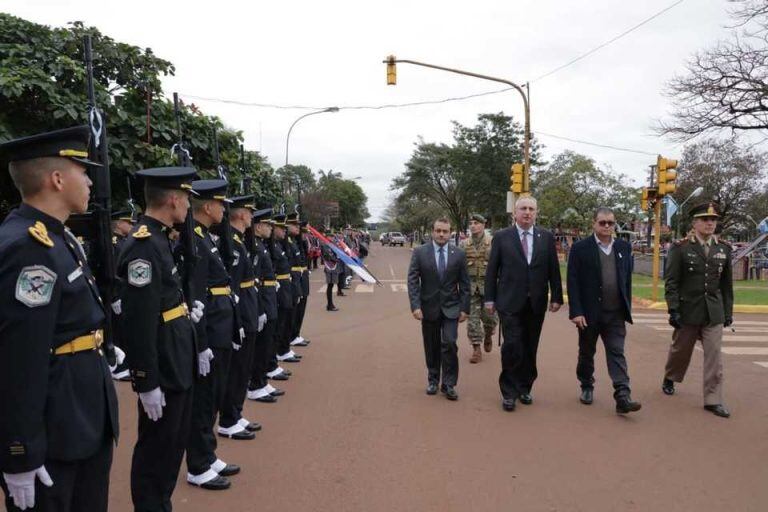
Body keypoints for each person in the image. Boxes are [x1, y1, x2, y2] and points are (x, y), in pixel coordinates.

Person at [0, 126, 119, 512]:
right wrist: (20, 451)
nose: (88, 180)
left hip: (81, 411)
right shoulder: (27, 247)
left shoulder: (60, 237)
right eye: (81, 171)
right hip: (55, 425)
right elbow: (19, 356)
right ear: (56, 179)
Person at [117, 166, 199, 511]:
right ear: (173, 199)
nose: (188, 208)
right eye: (186, 200)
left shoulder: (160, 238)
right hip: (163, 363)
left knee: (172, 447)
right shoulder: (143, 245)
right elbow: (139, 320)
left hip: (175, 354)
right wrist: (146, 380)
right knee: (157, 451)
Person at [185, 179, 242, 490]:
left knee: (216, 394)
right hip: (209, 327)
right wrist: (201, 342)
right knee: (204, 400)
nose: (224, 209)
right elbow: (196, 295)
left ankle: (208, 452)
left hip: (221, 324)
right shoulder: (194, 241)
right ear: (207, 207)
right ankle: (198, 463)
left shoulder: (206, 238)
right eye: (221, 204)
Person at [485, 196, 563, 412]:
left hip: (536, 302)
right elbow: (492, 270)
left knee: (530, 347)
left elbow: (553, 269)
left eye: (531, 209)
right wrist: (489, 298)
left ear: (536, 212)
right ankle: (509, 392)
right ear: (515, 213)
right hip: (509, 301)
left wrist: (556, 296)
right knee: (512, 345)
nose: (527, 212)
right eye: (523, 209)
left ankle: (525, 387)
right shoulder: (502, 237)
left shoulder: (546, 237)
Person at [662, 202, 734, 418]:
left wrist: (728, 312)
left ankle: (713, 399)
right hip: (688, 310)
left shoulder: (724, 248)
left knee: (714, 356)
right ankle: (671, 376)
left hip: (713, 312)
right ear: (694, 223)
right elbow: (672, 281)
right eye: (705, 219)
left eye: (713, 220)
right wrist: (673, 309)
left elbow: (726, 285)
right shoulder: (681, 247)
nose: (710, 223)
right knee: (680, 351)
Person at [567, 207, 641, 414]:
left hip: (615, 313)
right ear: (594, 224)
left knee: (617, 352)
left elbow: (626, 279)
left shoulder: (624, 247)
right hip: (589, 314)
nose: (607, 226)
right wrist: (576, 311)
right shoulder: (581, 248)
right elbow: (572, 282)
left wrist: (627, 306)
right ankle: (586, 385)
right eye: (602, 222)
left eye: (611, 223)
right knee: (587, 352)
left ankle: (622, 395)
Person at [407, 217, 470, 401]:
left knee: (450, 343)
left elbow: (465, 283)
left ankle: (449, 383)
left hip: (452, 308)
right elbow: (412, 281)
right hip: (428, 308)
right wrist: (415, 306)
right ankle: (433, 379)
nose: (441, 234)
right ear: (432, 232)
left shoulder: (459, 254)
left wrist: (465, 308)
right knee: (432, 345)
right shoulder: (420, 252)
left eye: (445, 231)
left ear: (450, 233)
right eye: (438, 231)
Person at [218, 195, 266, 439]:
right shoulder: (232, 244)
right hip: (242, 306)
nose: (251, 216)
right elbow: (233, 284)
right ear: (239, 214)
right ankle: (228, 417)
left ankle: (235, 412)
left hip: (249, 303)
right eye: (249, 211)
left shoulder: (239, 242)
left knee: (243, 365)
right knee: (237, 367)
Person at [247, 207, 285, 402]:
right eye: (267, 225)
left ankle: (261, 380)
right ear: (258, 226)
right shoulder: (253, 246)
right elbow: (254, 278)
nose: (271, 228)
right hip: (262, 296)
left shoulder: (261, 244)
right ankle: (255, 384)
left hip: (269, 295)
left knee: (268, 340)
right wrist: (260, 307)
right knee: (261, 344)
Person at [459, 213, 497, 364]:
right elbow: (459, 266)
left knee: (490, 319)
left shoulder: (493, 242)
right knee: (472, 320)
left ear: (483, 225)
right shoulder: (464, 244)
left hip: (488, 288)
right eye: (471, 223)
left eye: (476, 223)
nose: (473, 225)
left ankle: (488, 334)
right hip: (471, 288)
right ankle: (476, 349)